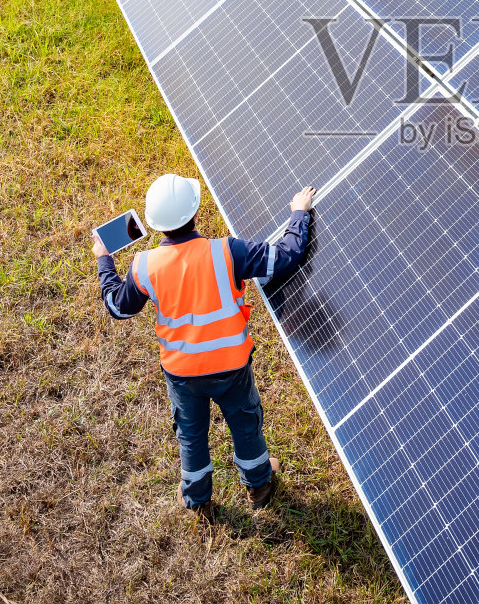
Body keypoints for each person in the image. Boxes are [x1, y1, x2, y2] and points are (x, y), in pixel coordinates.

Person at [94, 173, 315, 519]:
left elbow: (117, 307)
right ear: (196, 214)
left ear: (155, 226)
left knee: (191, 434)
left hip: (182, 374)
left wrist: (104, 260)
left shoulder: (143, 267)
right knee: (245, 424)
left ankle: (198, 499)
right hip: (231, 367)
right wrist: (299, 213)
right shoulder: (227, 251)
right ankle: (258, 484)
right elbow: (285, 258)